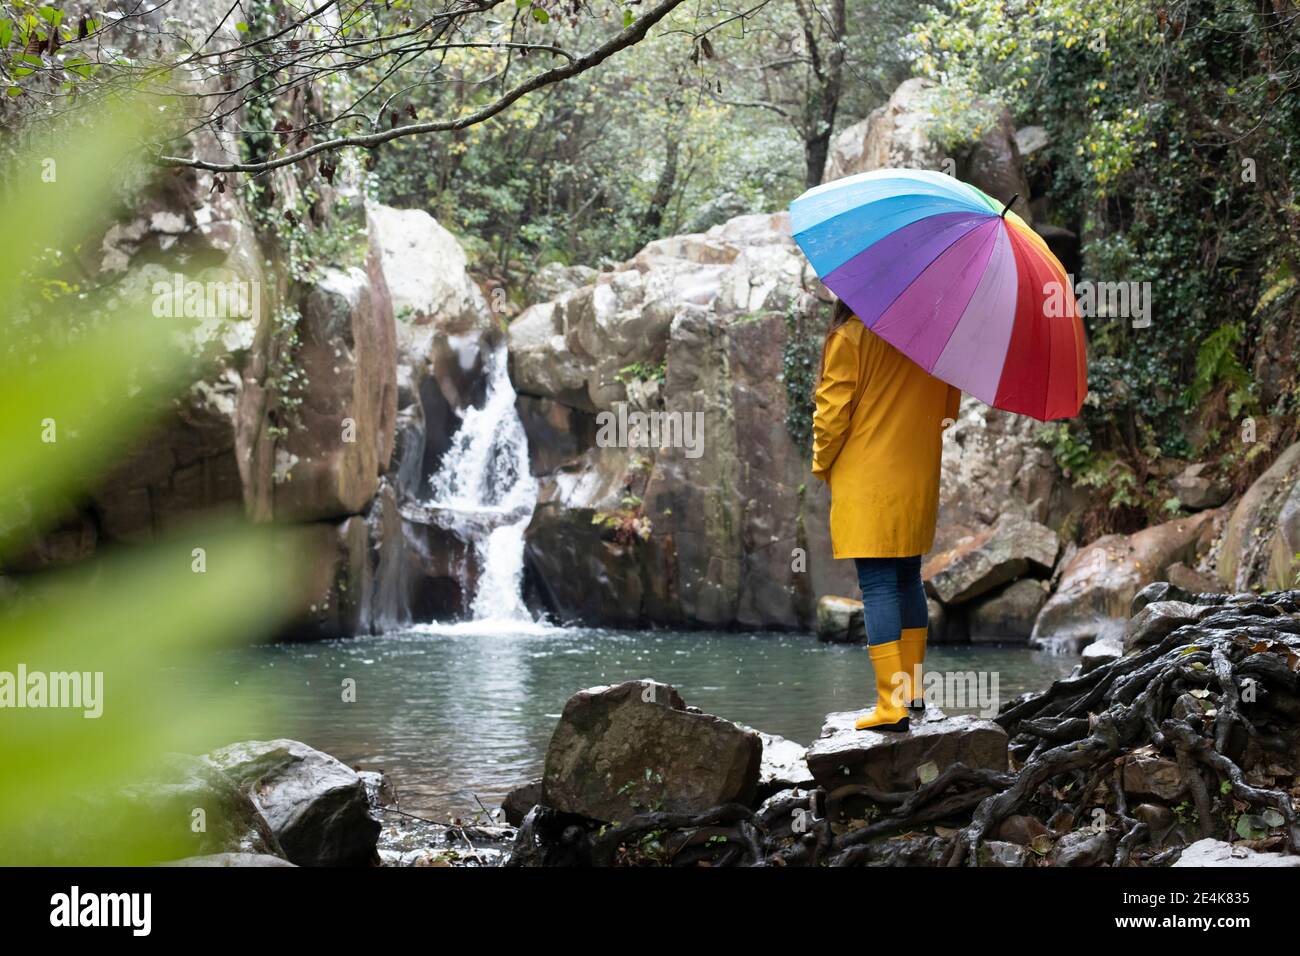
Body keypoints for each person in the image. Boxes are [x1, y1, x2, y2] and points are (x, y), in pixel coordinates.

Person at [811, 299, 960, 732]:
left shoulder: (850, 336)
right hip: (917, 475)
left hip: (868, 476)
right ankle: (912, 691)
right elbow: (949, 409)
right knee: (907, 578)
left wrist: (822, 462)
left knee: (877, 584)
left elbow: (831, 415)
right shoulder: (931, 337)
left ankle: (889, 704)